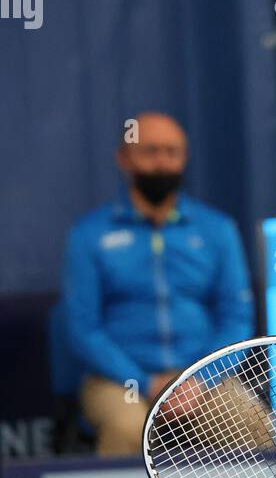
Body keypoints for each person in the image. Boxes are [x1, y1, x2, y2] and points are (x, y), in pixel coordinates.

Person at [61, 112, 255, 456]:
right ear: (124, 159)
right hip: (121, 381)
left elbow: (236, 316)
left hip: (201, 379)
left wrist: (198, 379)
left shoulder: (217, 229)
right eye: (149, 152)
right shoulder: (89, 235)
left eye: (172, 152)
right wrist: (142, 380)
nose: (162, 162)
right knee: (127, 427)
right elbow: (83, 327)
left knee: (247, 420)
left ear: (185, 158)